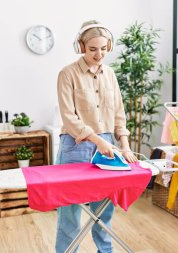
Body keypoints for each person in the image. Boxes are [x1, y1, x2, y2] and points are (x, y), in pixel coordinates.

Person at [56, 20, 137, 253]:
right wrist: (98, 140)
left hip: (108, 144)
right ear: (81, 46)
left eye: (103, 48)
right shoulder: (67, 74)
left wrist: (125, 144)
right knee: (70, 210)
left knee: (104, 210)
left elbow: (119, 113)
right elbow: (69, 118)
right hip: (76, 144)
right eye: (92, 49)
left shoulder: (110, 74)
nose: (99, 54)